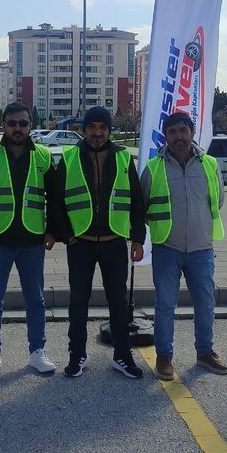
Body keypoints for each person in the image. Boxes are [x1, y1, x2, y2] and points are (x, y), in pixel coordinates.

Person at [53, 106, 145, 379]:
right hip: (80, 242)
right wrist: (66, 234)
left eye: (102, 127)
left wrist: (137, 238)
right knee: (78, 302)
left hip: (114, 241)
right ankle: (77, 354)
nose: (97, 132)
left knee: (118, 302)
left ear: (109, 130)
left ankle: (123, 355)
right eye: (92, 127)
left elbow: (136, 201)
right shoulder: (69, 158)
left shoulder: (123, 158)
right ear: (83, 130)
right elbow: (56, 202)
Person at [0, 101, 58, 378]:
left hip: (32, 240)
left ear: (30, 125)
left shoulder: (43, 156)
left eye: (23, 123)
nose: (18, 128)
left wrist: (52, 230)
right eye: (12, 123)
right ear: (3, 125)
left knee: (36, 298)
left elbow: (55, 197)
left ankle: (37, 351)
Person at [141, 112, 227, 381]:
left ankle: (205, 352)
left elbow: (218, 199)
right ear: (166, 136)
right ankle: (164, 356)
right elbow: (142, 206)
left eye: (183, 130)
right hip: (167, 246)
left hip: (201, 248)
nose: (179, 136)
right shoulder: (154, 168)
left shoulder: (210, 165)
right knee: (165, 305)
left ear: (191, 132)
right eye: (173, 132)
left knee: (205, 303)